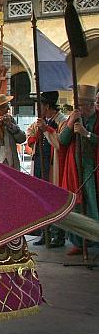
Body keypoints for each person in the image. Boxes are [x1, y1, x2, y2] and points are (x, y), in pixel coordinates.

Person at [59, 84, 99, 255]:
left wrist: (86, 133)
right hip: (75, 167)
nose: (77, 108)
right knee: (76, 203)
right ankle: (79, 241)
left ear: (91, 105)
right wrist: (69, 124)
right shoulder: (73, 119)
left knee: (92, 204)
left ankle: (95, 240)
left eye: (80, 105)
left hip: (93, 167)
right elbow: (63, 141)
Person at [26, 91, 68, 247]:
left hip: (52, 164)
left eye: (40, 105)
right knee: (41, 198)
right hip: (39, 161)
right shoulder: (41, 120)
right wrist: (34, 136)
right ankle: (45, 232)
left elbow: (60, 143)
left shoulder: (62, 121)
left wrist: (46, 130)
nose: (38, 108)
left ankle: (58, 235)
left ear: (47, 106)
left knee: (54, 198)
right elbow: (30, 133)